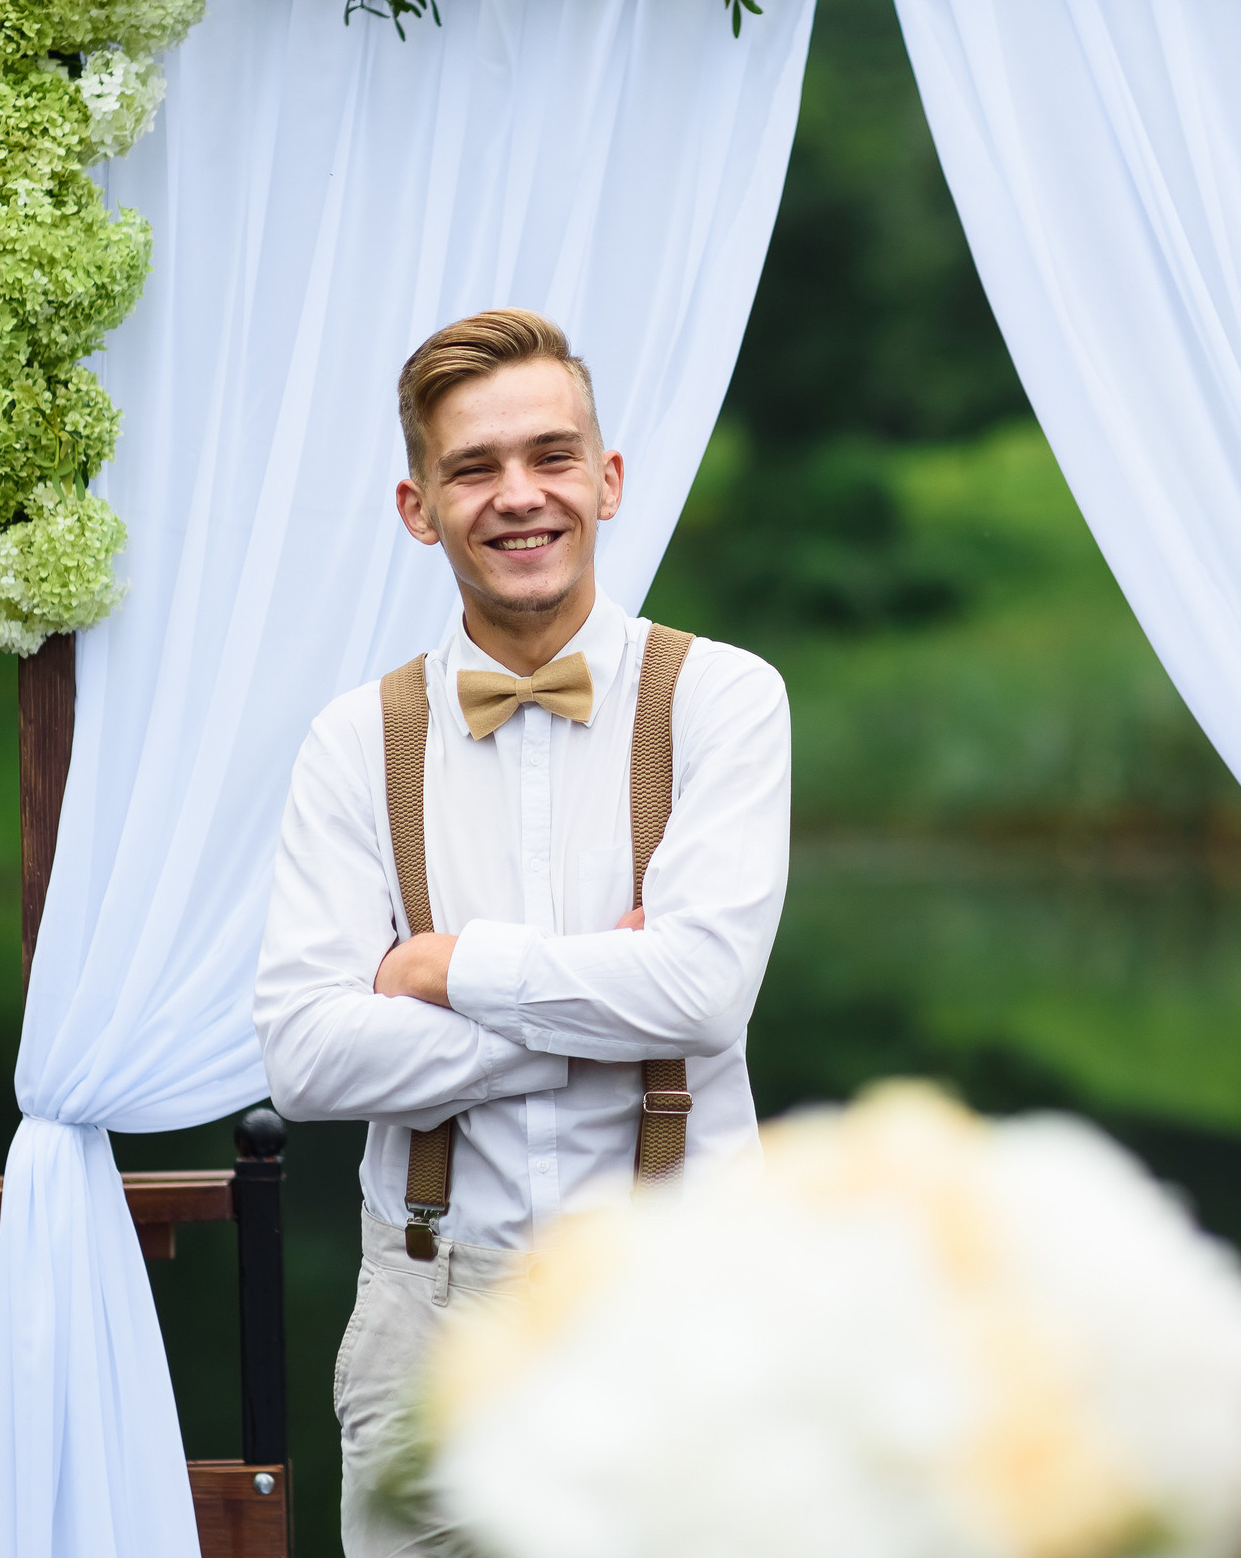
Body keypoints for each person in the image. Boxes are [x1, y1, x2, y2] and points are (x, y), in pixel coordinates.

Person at [253, 309, 792, 1556]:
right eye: (473, 468)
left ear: (606, 481)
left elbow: (706, 990)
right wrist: (602, 1007)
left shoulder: (722, 698)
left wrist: (445, 971)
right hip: (433, 1308)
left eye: (551, 455)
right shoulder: (352, 740)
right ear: (416, 505)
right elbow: (305, 1056)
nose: (518, 495)